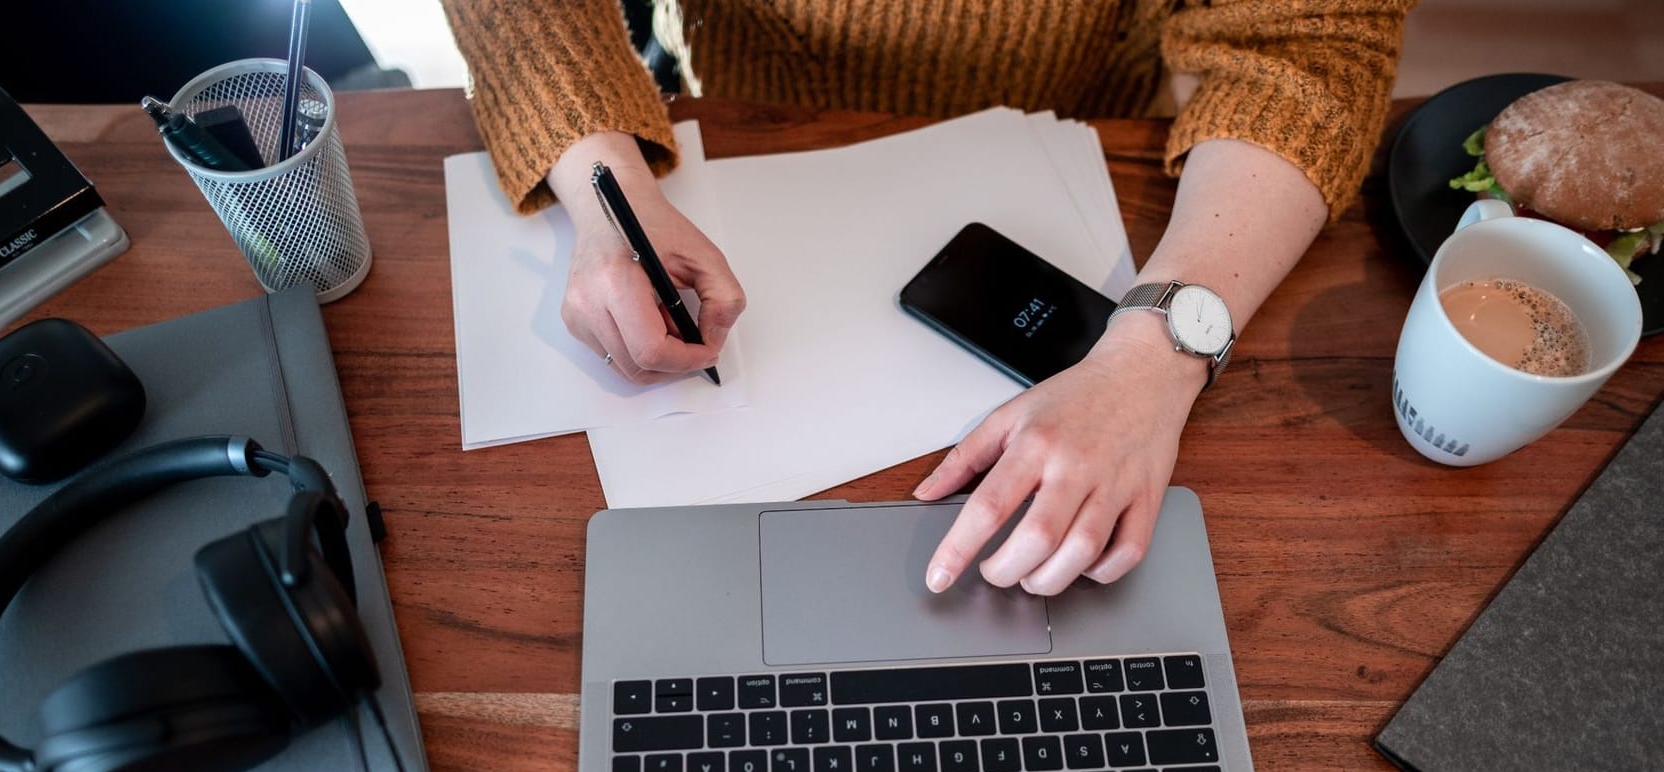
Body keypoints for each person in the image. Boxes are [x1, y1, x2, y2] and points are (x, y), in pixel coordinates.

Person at [442, 0, 1414, 594]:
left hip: (1100, 130)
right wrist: (599, 175)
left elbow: (1307, 45)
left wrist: (1156, 353)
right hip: (730, 106)